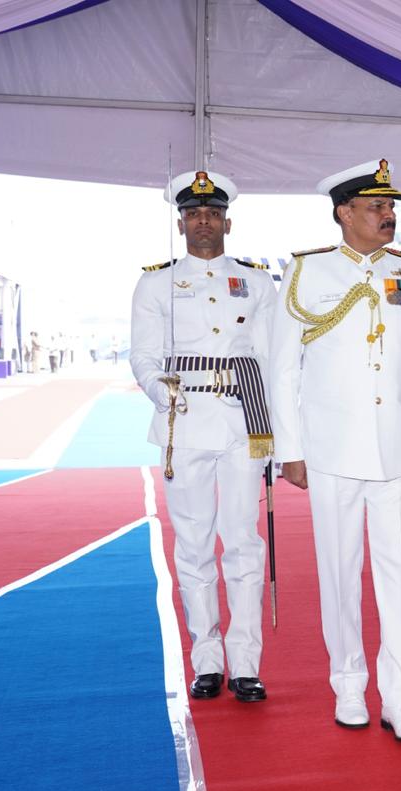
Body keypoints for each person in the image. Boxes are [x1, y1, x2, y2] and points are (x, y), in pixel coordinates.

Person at [269, 158, 401, 742]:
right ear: (344, 212)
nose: (389, 217)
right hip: (331, 448)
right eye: (377, 207)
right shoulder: (304, 272)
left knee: (398, 574)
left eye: (391, 208)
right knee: (339, 571)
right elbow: (283, 369)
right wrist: (289, 449)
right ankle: (347, 684)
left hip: (395, 447)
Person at [130, 168, 273, 703]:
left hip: (242, 420)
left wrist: (278, 432)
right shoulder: (155, 281)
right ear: (182, 221)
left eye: (213, 213)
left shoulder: (258, 281)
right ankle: (207, 659)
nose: (204, 222)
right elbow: (142, 354)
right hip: (183, 421)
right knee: (192, 546)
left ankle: (246, 665)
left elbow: (272, 357)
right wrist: (158, 390)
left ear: (227, 222)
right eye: (194, 214)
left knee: (243, 543)